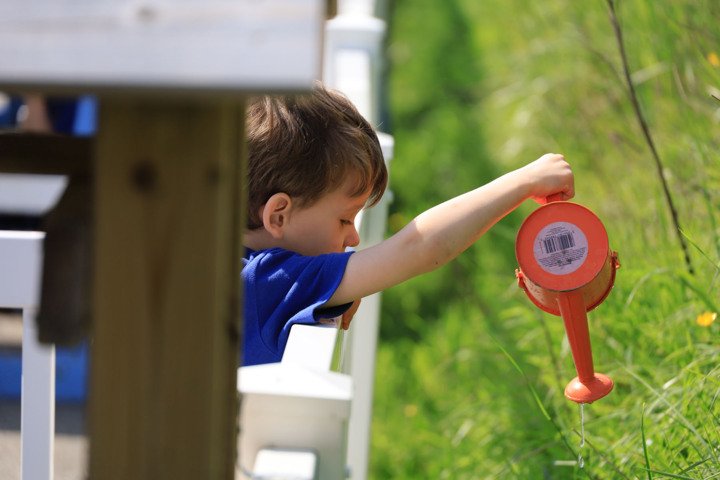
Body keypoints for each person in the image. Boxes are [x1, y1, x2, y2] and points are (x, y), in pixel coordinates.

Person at [242, 82, 573, 366]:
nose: (353, 236)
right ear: (278, 216)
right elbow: (419, 247)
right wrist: (525, 182)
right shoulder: (269, 281)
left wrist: (335, 288)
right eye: (344, 219)